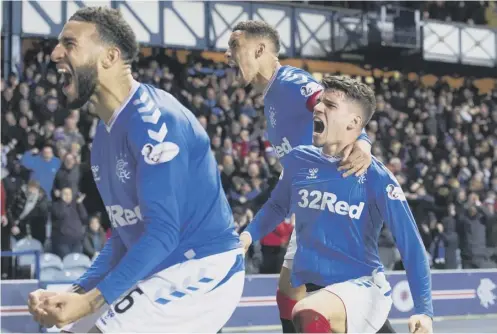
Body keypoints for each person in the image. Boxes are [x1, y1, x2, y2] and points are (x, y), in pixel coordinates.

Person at [27, 6, 244, 333]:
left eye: (69, 44)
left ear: (109, 57)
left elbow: (163, 232)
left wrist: (89, 302)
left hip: (202, 267)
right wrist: (77, 291)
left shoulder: (154, 122)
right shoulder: (101, 134)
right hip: (160, 267)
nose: (55, 53)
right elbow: (125, 235)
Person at [242, 76, 433, 333]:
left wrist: (423, 310)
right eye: (320, 102)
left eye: (330, 105)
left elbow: (411, 244)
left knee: (307, 312)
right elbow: (277, 206)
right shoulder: (299, 160)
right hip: (322, 291)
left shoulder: (376, 176)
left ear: (354, 123)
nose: (318, 107)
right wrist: (246, 236)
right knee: (302, 306)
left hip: (363, 288)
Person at [225, 20, 377, 333]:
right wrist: (249, 235)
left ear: (260, 49)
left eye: (234, 47)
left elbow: (336, 107)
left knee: (316, 296)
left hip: (333, 197)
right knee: (293, 294)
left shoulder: (291, 81)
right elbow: (287, 189)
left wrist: (363, 141)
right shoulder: (271, 99)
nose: (228, 55)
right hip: (313, 199)